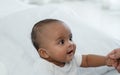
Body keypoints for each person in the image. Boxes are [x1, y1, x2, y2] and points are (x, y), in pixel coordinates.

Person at [31, 19, 116, 75]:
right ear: (45, 53)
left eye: (70, 38)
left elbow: (87, 60)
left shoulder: (71, 59)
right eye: (62, 42)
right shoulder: (43, 67)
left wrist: (106, 60)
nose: (70, 44)